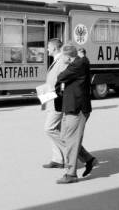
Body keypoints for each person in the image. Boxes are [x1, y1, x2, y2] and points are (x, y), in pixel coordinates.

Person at [55, 45, 97, 184]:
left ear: (68, 56)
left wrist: (63, 68)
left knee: (71, 142)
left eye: (62, 57)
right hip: (72, 107)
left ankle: (71, 174)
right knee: (65, 138)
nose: (61, 59)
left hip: (77, 108)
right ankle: (88, 159)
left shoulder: (77, 64)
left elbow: (61, 76)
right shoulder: (78, 63)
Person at [41, 38, 68, 169]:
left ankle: (70, 151)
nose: (47, 49)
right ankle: (58, 159)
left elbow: (63, 83)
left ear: (54, 48)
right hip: (51, 100)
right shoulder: (56, 60)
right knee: (55, 129)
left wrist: (55, 95)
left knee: (49, 129)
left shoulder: (62, 60)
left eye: (48, 47)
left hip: (57, 100)